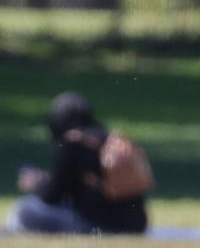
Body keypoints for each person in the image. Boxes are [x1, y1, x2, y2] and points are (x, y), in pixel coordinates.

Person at [9, 91, 148, 235]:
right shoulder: (110, 140)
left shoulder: (73, 144)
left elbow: (52, 197)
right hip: (136, 224)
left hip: (98, 225)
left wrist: (37, 183)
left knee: (23, 208)